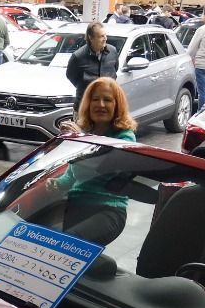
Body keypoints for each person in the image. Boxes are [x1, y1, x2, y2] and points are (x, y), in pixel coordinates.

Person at [43, 78, 137, 246]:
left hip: (108, 211)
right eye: (95, 99)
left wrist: (82, 140)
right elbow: (72, 176)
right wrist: (56, 183)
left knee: (65, 245)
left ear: (117, 105)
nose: (100, 104)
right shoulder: (84, 133)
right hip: (76, 206)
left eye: (107, 100)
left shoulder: (125, 137)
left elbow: (103, 168)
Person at [64, 22, 118, 106]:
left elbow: (115, 69)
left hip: (107, 106)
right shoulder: (78, 57)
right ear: (91, 38)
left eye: (105, 35)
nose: (105, 39)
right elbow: (70, 76)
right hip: (85, 106)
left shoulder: (113, 51)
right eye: (101, 36)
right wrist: (87, 88)